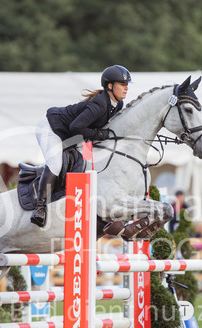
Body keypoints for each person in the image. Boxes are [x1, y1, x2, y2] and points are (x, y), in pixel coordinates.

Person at [30, 65, 132, 227]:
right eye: (122, 84)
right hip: (51, 128)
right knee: (55, 164)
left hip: (71, 136)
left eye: (127, 84)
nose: (126, 88)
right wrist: (99, 134)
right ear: (110, 86)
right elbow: (76, 127)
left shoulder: (118, 104)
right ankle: (40, 208)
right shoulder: (100, 104)